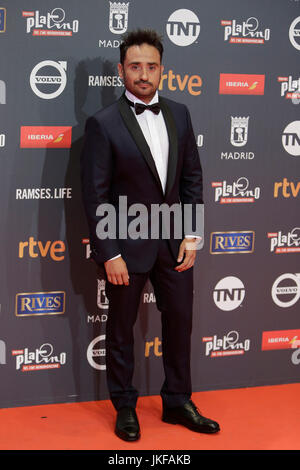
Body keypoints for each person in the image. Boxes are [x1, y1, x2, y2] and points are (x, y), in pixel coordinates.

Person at [81, 29, 220, 441]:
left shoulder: (180, 113)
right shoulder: (102, 124)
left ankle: (177, 401)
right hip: (125, 243)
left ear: (163, 70)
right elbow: (95, 194)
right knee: (121, 328)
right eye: (135, 66)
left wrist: (192, 233)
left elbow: (193, 177)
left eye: (152, 66)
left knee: (179, 322)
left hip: (174, 241)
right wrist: (108, 252)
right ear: (122, 70)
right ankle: (125, 404)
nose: (144, 74)